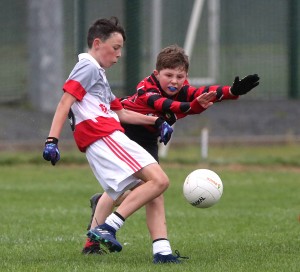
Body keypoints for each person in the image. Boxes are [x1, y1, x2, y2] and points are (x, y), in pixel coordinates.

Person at [42, 18, 213, 264]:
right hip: (104, 136)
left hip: (108, 136)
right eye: (116, 47)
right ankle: (108, 228)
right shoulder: (87, 67)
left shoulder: (97, 75)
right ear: (98, 43)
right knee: (159, 181)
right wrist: (52, 140)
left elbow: (120, 112)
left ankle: (158, 252)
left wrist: (155, 122)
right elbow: (64, 102)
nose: (119, 54)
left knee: (151, 189)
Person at [83, 44, 260, 257]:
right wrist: (192, 107)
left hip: (147, 140)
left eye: (180, 76)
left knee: (144, 190)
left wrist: (231, 92)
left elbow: (205, 92)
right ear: (157, 74)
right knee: (152, 187)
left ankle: (154, 251)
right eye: (168, 75)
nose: (174, 81)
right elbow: (164, 105)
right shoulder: (145, 88)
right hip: (123, 133)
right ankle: (148, 248)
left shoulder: (183, 90)